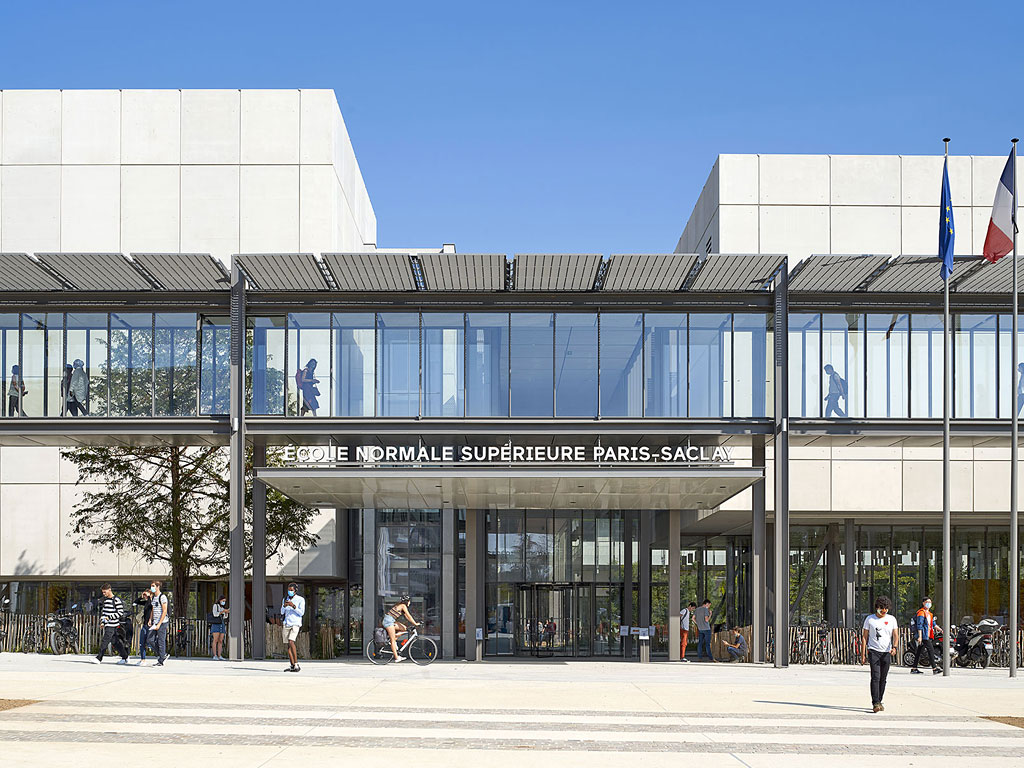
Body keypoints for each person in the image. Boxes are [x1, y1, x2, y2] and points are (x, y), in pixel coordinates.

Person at [861, 595, 898, 713]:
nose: (884, 611)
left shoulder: (892, 619)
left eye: (886, 608)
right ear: (877, 607)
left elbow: (896, 635)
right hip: (873, 651)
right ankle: (875, 702)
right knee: (875, 677)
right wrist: (863, 654)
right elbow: (864, 637)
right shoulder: (870, 619)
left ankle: (880, 700)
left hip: (886, 652)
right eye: (881, 608)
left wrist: (894, 647)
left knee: (883, 678)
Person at [93, 584, 129, 665]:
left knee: (105, 641)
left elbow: (120, 613)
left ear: (109, 590)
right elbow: (104, 613)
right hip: (108, 624)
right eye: (103, 592)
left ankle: (99, 658)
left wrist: (109, 617)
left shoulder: (116, 600)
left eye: (105, 592)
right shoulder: (105, 601)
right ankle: (125, 657)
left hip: (113, 625)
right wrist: (103, 622)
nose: (104, 594)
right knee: (115, 642)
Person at [381, 594, 419, 662]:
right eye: (409, 601)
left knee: (405, 628)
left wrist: (413, 623)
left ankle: (395, 636)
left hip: (391, 620)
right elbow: (409, 616)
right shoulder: (403, 606)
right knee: (392, 640)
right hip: (388, 622)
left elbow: (407, 617)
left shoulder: (401, 606)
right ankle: (397, 657)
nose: (410, 603)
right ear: (407, 601)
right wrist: (415, 623)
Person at [911, 596, 941, 675]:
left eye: (930, 602)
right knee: (930, 650)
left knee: (919, 651)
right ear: (923, 603)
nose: (929, 604)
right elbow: (919, 625)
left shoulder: (930, 614)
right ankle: (934, 668)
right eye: (927, 602)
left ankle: (914, 668)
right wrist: (920, 636)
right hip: (924, 636)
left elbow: (933, 624)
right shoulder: (921, 613)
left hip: (927, 635)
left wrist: (941, 630)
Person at [281, 582, 305, 672]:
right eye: (288, 590)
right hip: (287, 623)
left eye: (291, 590)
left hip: (295, 623)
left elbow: (301, 613)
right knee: (288, 645)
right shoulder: (285, 599)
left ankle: (296, 664)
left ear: (295, 591)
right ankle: (292, 665)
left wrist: (293, 606)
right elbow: (282, 612)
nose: (289, 592)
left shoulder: (300, 599)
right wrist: (284, 606)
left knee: (291, 641)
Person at [147, 580, 170, 667]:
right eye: (151, 586)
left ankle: (161, 660)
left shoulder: (162, 597)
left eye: (153, 586)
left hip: (162, 622)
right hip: (155, 622)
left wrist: (159, 624)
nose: (152, 588)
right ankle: (163, 654)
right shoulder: (153, 597)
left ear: (158, 587)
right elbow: (153, 609)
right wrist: (150, 619)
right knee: (150, 639)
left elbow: (164, 611)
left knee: (161, 641)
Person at [133, 589, 152, 665]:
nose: (145, 596)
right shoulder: (146, 603)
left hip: (151, 625)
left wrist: (149, 595)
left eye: (146, 595)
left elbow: (151, 603)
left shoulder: (153, 602)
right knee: (142, 642)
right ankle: (142, 659)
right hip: (145, 625)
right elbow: (136, 602)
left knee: (151, 642)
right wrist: (141, 597)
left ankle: (162, 655)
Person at [211, 595, 228, 660]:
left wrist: (226, 612)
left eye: (225, 601)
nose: (224, 602)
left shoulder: (222, 607)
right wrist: (222, 612)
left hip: (222, 623)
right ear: (220, 600)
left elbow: (225, 617)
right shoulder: (215, 606)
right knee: (215, 640)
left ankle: (219, 655)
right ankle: (215, 655)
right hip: (216, 624)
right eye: (223, 601)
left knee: (220, 640)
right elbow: (215, 614)